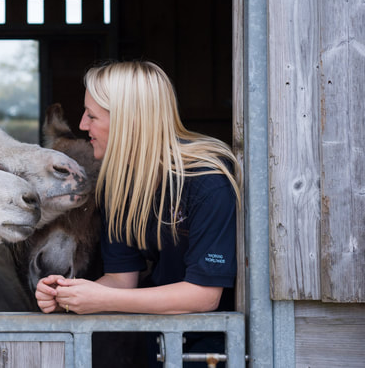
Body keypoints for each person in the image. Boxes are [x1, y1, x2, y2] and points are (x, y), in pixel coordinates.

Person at [35, 60, 242, 364]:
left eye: (91, 115)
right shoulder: (117, 184)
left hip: (213, 349)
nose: (82, 125)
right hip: (158, 344)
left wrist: (103, 299)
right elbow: (121, 280)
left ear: (127, 120)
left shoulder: (207, 182)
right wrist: (69, 294)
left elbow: (204, 296)